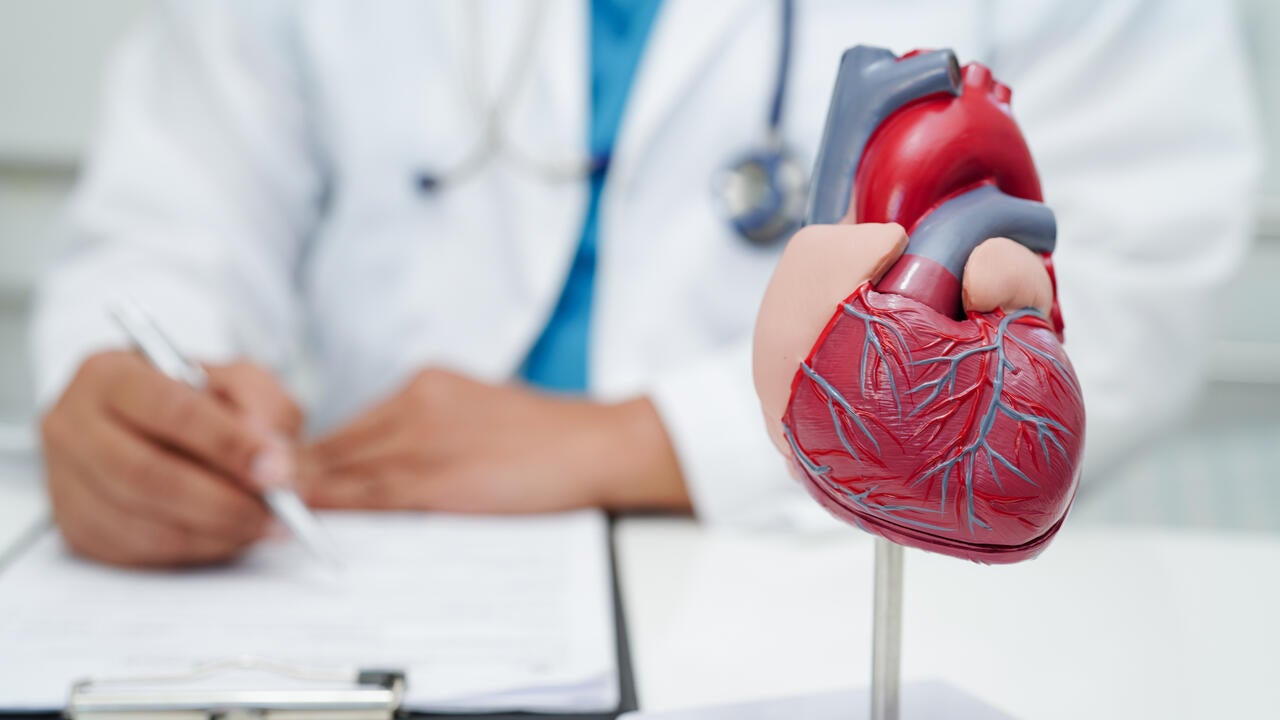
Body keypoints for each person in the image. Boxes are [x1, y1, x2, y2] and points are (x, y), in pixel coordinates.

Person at [32, 0, 1260, 567]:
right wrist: (136, 384)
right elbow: (169, 212)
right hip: (369, 559)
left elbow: (1129, 267)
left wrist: (647, 442)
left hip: (795, 569)